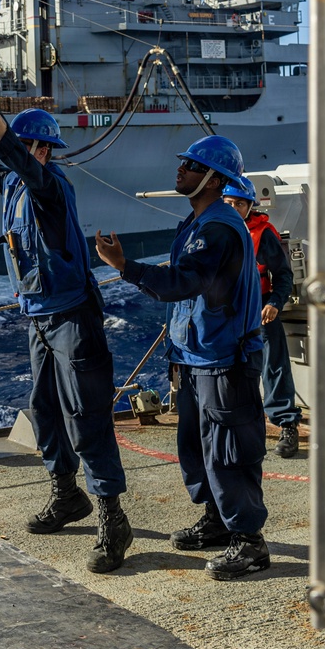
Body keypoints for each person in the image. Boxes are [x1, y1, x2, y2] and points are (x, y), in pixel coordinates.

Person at [0, 80, 132, 573]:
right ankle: (66, 494)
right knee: (45, 408)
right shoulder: (12, 185)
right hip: (37, 315)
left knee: (85, 415)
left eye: (32, 147)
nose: (29, 154)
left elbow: (6, 149)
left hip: (73, 317)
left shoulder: (52, 189)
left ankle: (113, 520)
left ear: (42, 151)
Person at [95, 135, 269, 581]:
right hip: (195, 356)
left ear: (213, 179)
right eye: (184, 163)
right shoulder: (194, 225)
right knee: (195, 447)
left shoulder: (217, 230)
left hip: (224, 359)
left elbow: (182, 282)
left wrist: (124, 267)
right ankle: (216, 520)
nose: (181, 169)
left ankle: (250, 543)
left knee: (229, 450)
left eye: (191, 165)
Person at [222, 175, 301, 458]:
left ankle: (286, 423)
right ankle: (234, 427)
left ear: (249, 206)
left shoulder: (263, 233)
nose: (232, 208)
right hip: (225, 311)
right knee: (227, 370)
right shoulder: (212, 229)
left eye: (239, 204)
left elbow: (282, 275)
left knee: (273, 365)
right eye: (227, 202)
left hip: (259, 308)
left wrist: (275, 303)